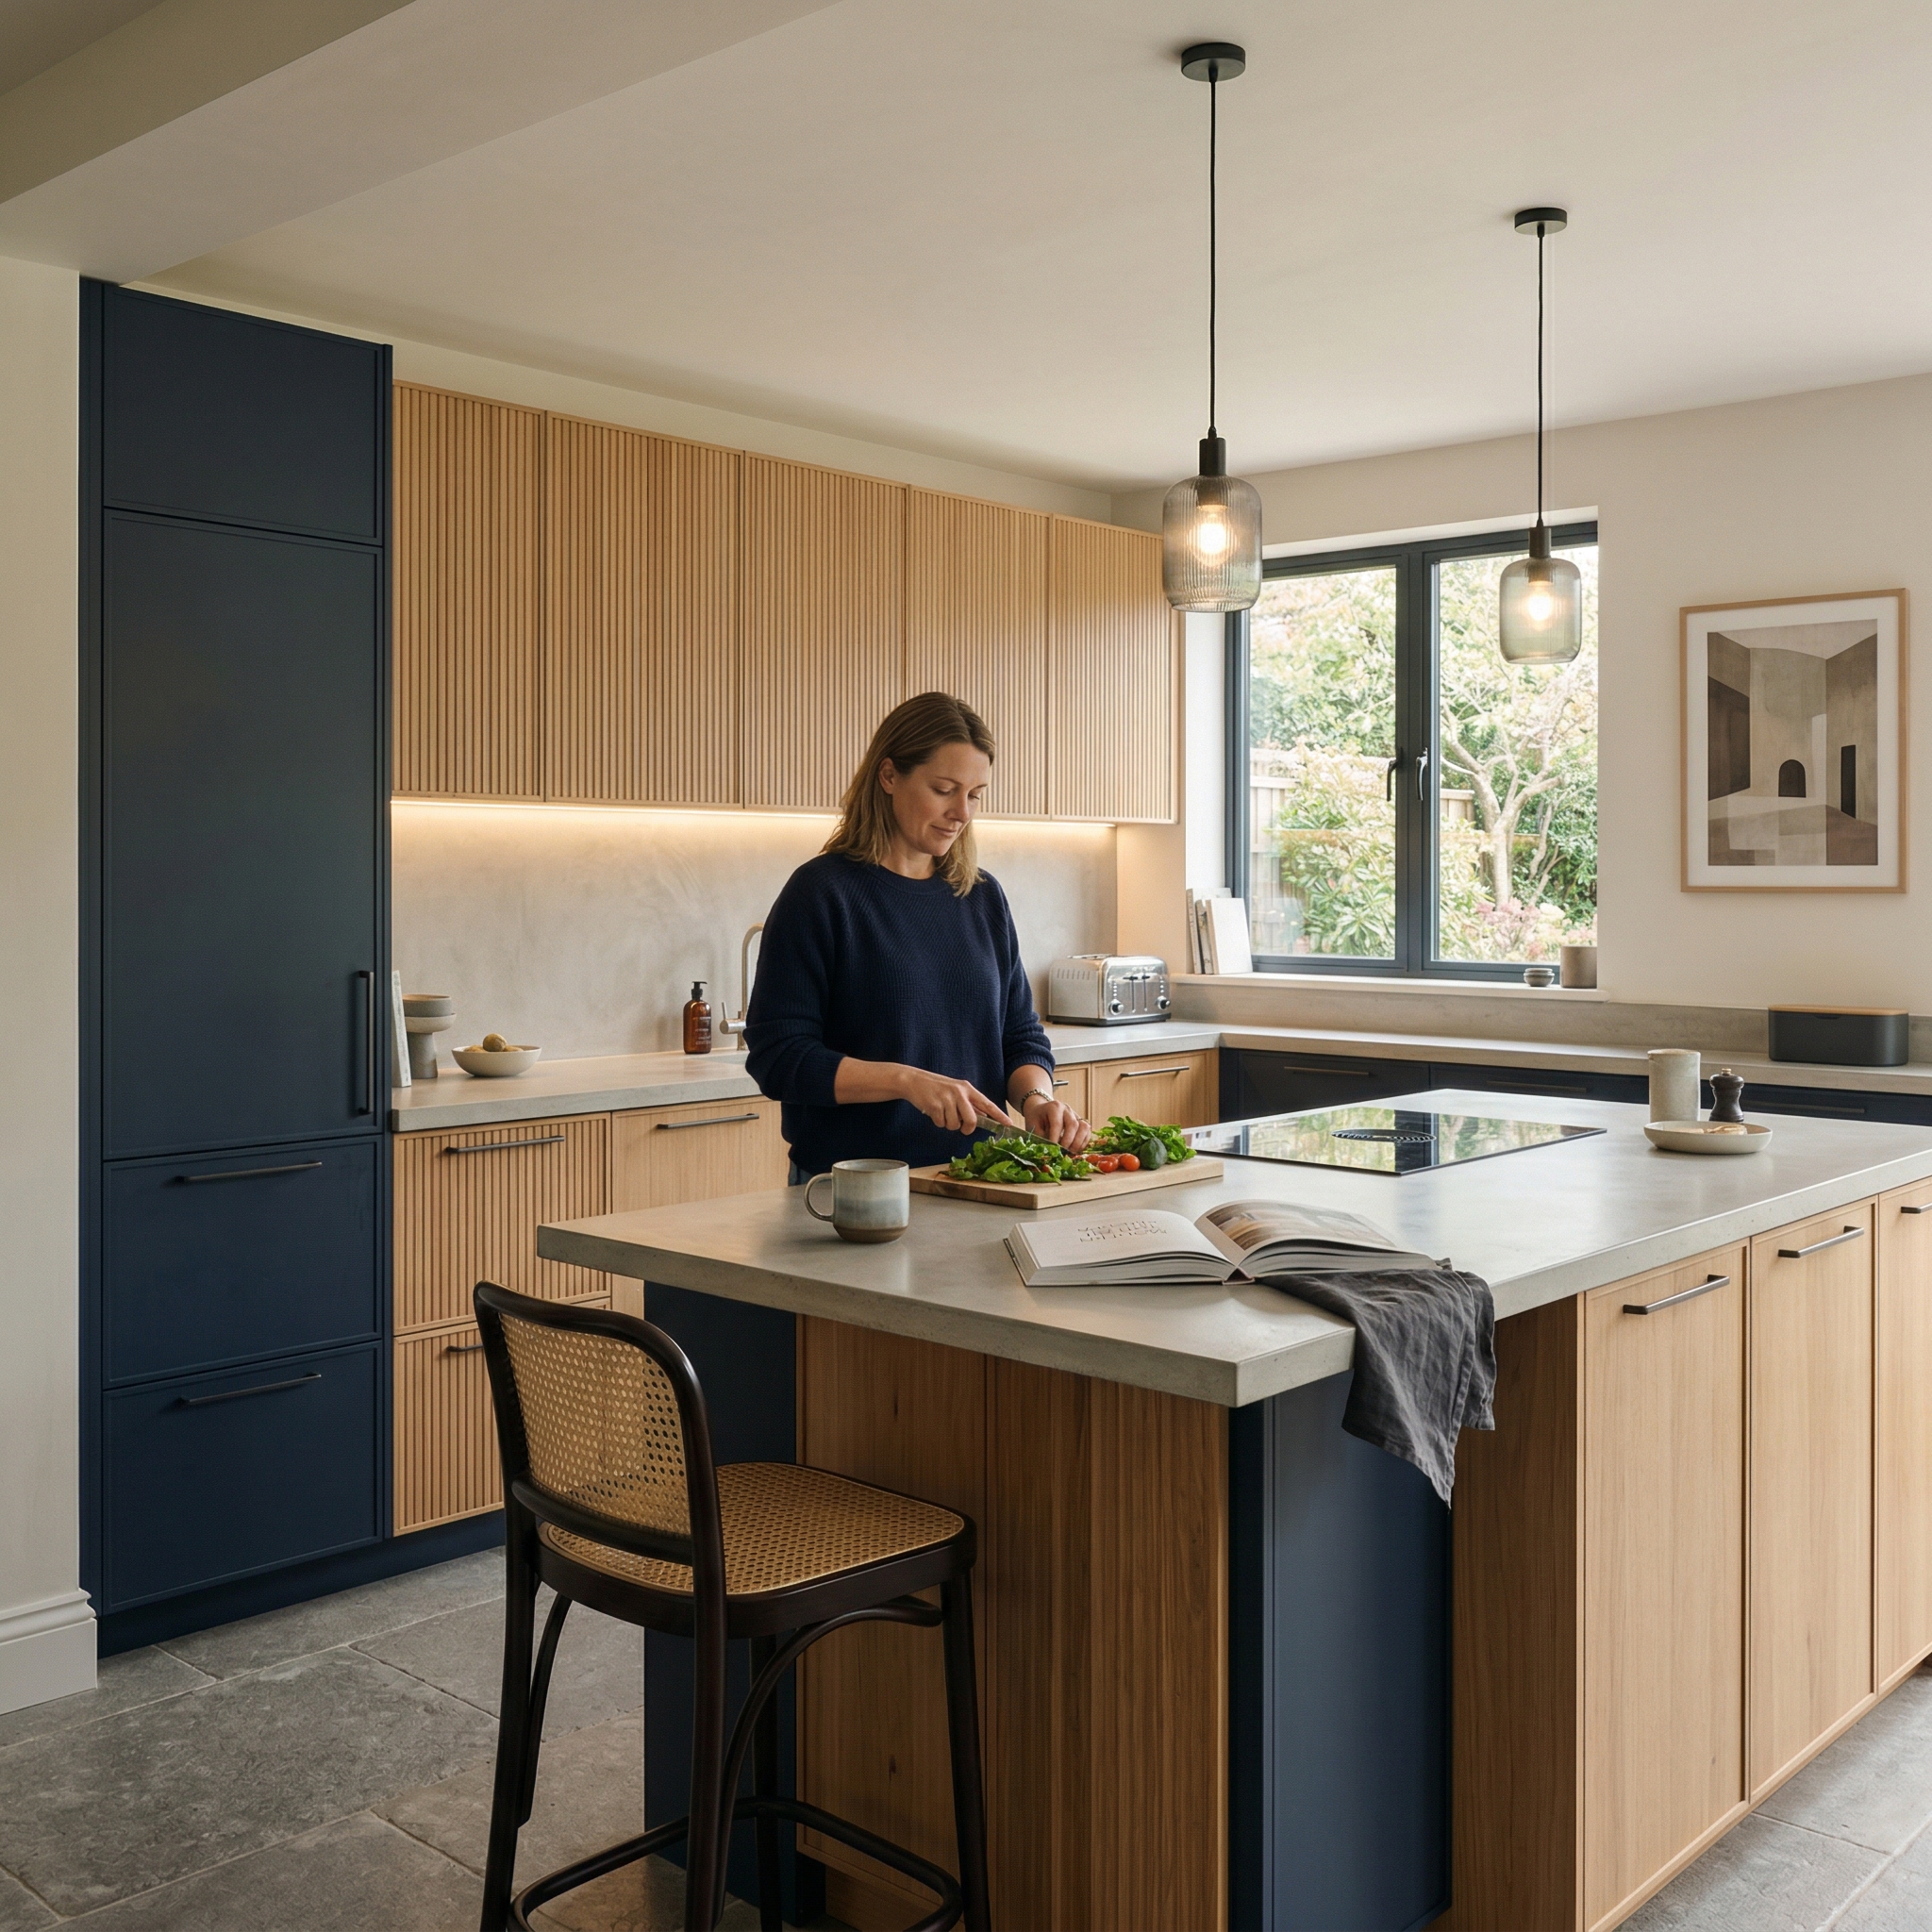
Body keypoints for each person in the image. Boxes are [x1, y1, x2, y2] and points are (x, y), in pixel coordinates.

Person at [745, 691, 1090, 1178]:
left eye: (974, 795)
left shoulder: (981, 896)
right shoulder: (822, 894)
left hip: (980, 1180)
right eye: (944, 789)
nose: (962, 813)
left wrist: (1037, 1098)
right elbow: (779, 1058)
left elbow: (1019, 1034)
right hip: (853, 1187)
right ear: (889, 775)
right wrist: (907, 1082)